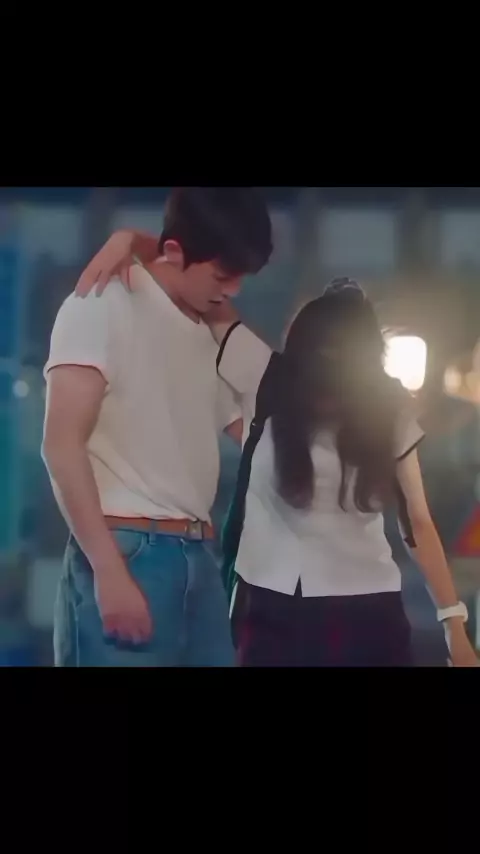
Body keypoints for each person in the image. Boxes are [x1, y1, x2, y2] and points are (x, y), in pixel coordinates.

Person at [77, 234, 478, 667]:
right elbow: (199, 289)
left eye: (340, 357)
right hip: (276, 604)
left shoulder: (385, 412)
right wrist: (132, 242)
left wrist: (454, 624)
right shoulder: (265, 378)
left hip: (361, 609)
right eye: (323, 355)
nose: (329, 368)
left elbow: (418, 523)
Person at [42, 187, 273, 666]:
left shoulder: (204, 328)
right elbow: (61, 445)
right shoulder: (102, 300)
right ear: (175, 251)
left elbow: (261, 424)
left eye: (241, 278)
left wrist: (134, 240)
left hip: (198, 554)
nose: (232, 291)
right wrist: (108, 570)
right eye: (223, 276)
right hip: (129, 547)